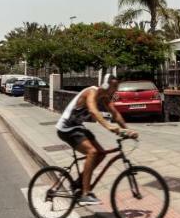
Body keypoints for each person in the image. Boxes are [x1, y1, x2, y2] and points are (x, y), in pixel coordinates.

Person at [54, 75, 137, 205]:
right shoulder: (91, 92)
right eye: (114, 86)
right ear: (105, 85)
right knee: (92, 152)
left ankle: (78, 183)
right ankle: (85, 194)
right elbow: (93, 111)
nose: (116, 89)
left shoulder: (104, 97)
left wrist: (127, 130)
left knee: (101, 153)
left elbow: (115, 113)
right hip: (67, 128)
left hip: (78, 127)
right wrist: (109, 127)